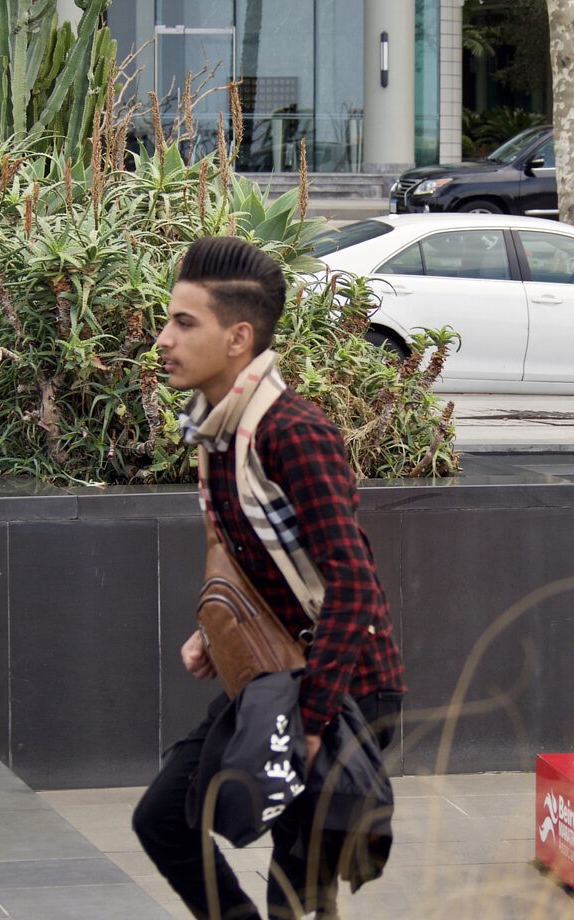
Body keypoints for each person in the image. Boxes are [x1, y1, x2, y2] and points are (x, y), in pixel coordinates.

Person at [132, 236, 406, 920]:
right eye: (168, 321)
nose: (163, 339)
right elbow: (252, 557)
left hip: (344, 690)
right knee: (163, 817)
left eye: (184, 323)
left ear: (238, 337)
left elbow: (353, 583)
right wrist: (211, 630)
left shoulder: (291, 432)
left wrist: (312, 720)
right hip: (275, 680)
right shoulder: (219, 433)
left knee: (300, 888)